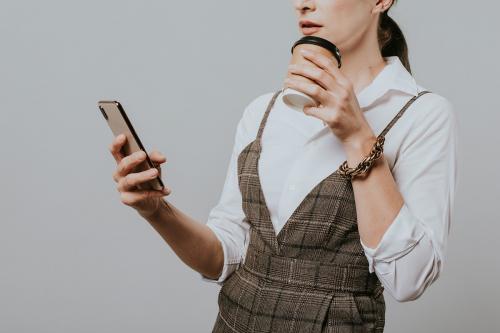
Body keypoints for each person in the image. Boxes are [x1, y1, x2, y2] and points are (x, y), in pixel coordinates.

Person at [108, 0, 458, 331]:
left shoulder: (422, 115)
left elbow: (409, 279)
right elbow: (223, 256)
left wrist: (357, 137)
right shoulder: (262, 111)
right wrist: (157, 211)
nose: (301, 3)